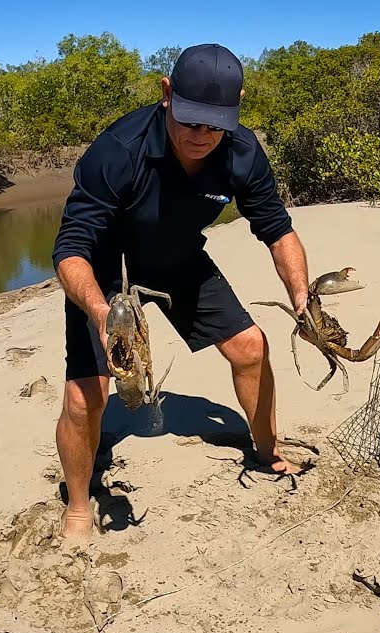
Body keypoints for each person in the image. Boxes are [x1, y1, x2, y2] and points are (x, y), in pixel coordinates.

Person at [50, 43, 312, 538]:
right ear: (167, 93)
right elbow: (70, 249)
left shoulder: (242, 153)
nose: (202, 136)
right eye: (190, 121)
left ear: (236, 108)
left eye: (216, 125)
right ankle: (79, 507)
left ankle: (267, 451)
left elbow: (278, 231)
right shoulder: (118, 150)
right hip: (105, 271)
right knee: (87, 398)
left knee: (251, 347)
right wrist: (102, 313)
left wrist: (303, 299)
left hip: (177, 260)